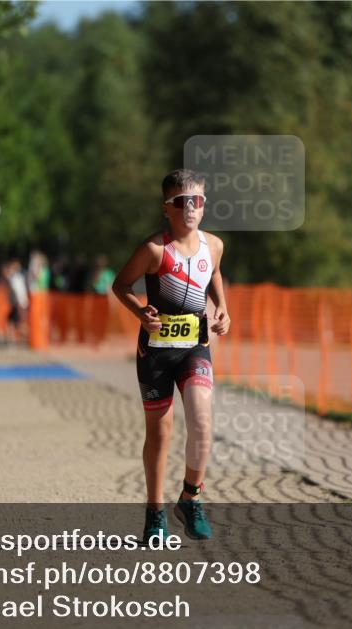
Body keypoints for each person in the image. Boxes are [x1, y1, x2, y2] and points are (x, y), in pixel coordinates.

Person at [112, 169, 230, 543]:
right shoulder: (154, 250)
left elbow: (213, 273)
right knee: (160, 433)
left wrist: (222, 307)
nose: (190, 208)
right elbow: (121, 284)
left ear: (204, 205)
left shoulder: (214, 245)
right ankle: (154, 513)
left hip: (195, 346)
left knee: (202, 421)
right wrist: (139, 311)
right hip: (157, 352)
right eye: (182, 202)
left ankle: (191, 497)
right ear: (167, 208)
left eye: (197, 201)